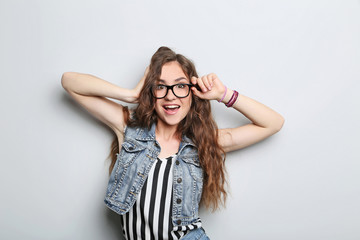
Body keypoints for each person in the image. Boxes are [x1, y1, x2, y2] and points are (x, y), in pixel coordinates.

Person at [61, 46, 284, 240]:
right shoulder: (130, 129)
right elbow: (69, 82)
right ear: (151, 93)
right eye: (160, 86)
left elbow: (273, 123)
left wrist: (223, 94)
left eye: (180, 86)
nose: (170, 96)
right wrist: (130, 95)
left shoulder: (203, 141)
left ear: (192, 93)